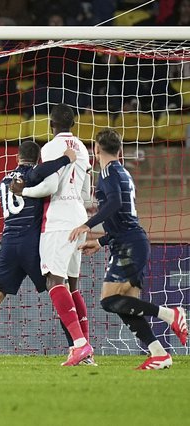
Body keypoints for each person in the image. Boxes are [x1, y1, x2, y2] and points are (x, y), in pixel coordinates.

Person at [70, 128, 188, 370]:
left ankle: (170, 314)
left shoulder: (106, 172)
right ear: (120, 150)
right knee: (126, 306)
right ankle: (159, 353)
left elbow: (115, 203)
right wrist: (101, 241)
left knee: (109, 300)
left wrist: (86, 225)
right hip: (129, 241)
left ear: (96, 149)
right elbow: (122, 215)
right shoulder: (122, 172)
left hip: (128, 246)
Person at [0, 141, 76, 365]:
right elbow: (41, 172)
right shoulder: (35, 175)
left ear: (17, 157)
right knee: (60, 291)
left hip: (9, 245)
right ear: (37, 158)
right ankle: (76, 347)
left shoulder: (3, 180)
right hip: (32, 247)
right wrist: (65, 159)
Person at [10, 103, 93, 366]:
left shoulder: (49, 148)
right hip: (80, 216)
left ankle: (79, 344)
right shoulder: (82, 148)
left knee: (54, 280)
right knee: (73, 283)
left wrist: (23, 191)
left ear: (51, 124)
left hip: (58, 219)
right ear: (74, 124)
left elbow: (51, 185)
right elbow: (87, 191)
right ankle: (85, 351)